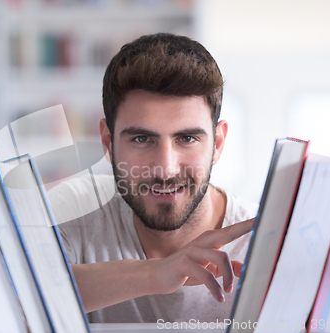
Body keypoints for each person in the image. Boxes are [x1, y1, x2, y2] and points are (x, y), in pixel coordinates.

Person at [47, 33, 258, 323]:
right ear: (108, 142)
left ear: (218, 144)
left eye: (186, 138)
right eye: (142, 138)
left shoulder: (263, 244)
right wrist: (156, 274)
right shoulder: (74, 209)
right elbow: (9, 297)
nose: (165, 170)